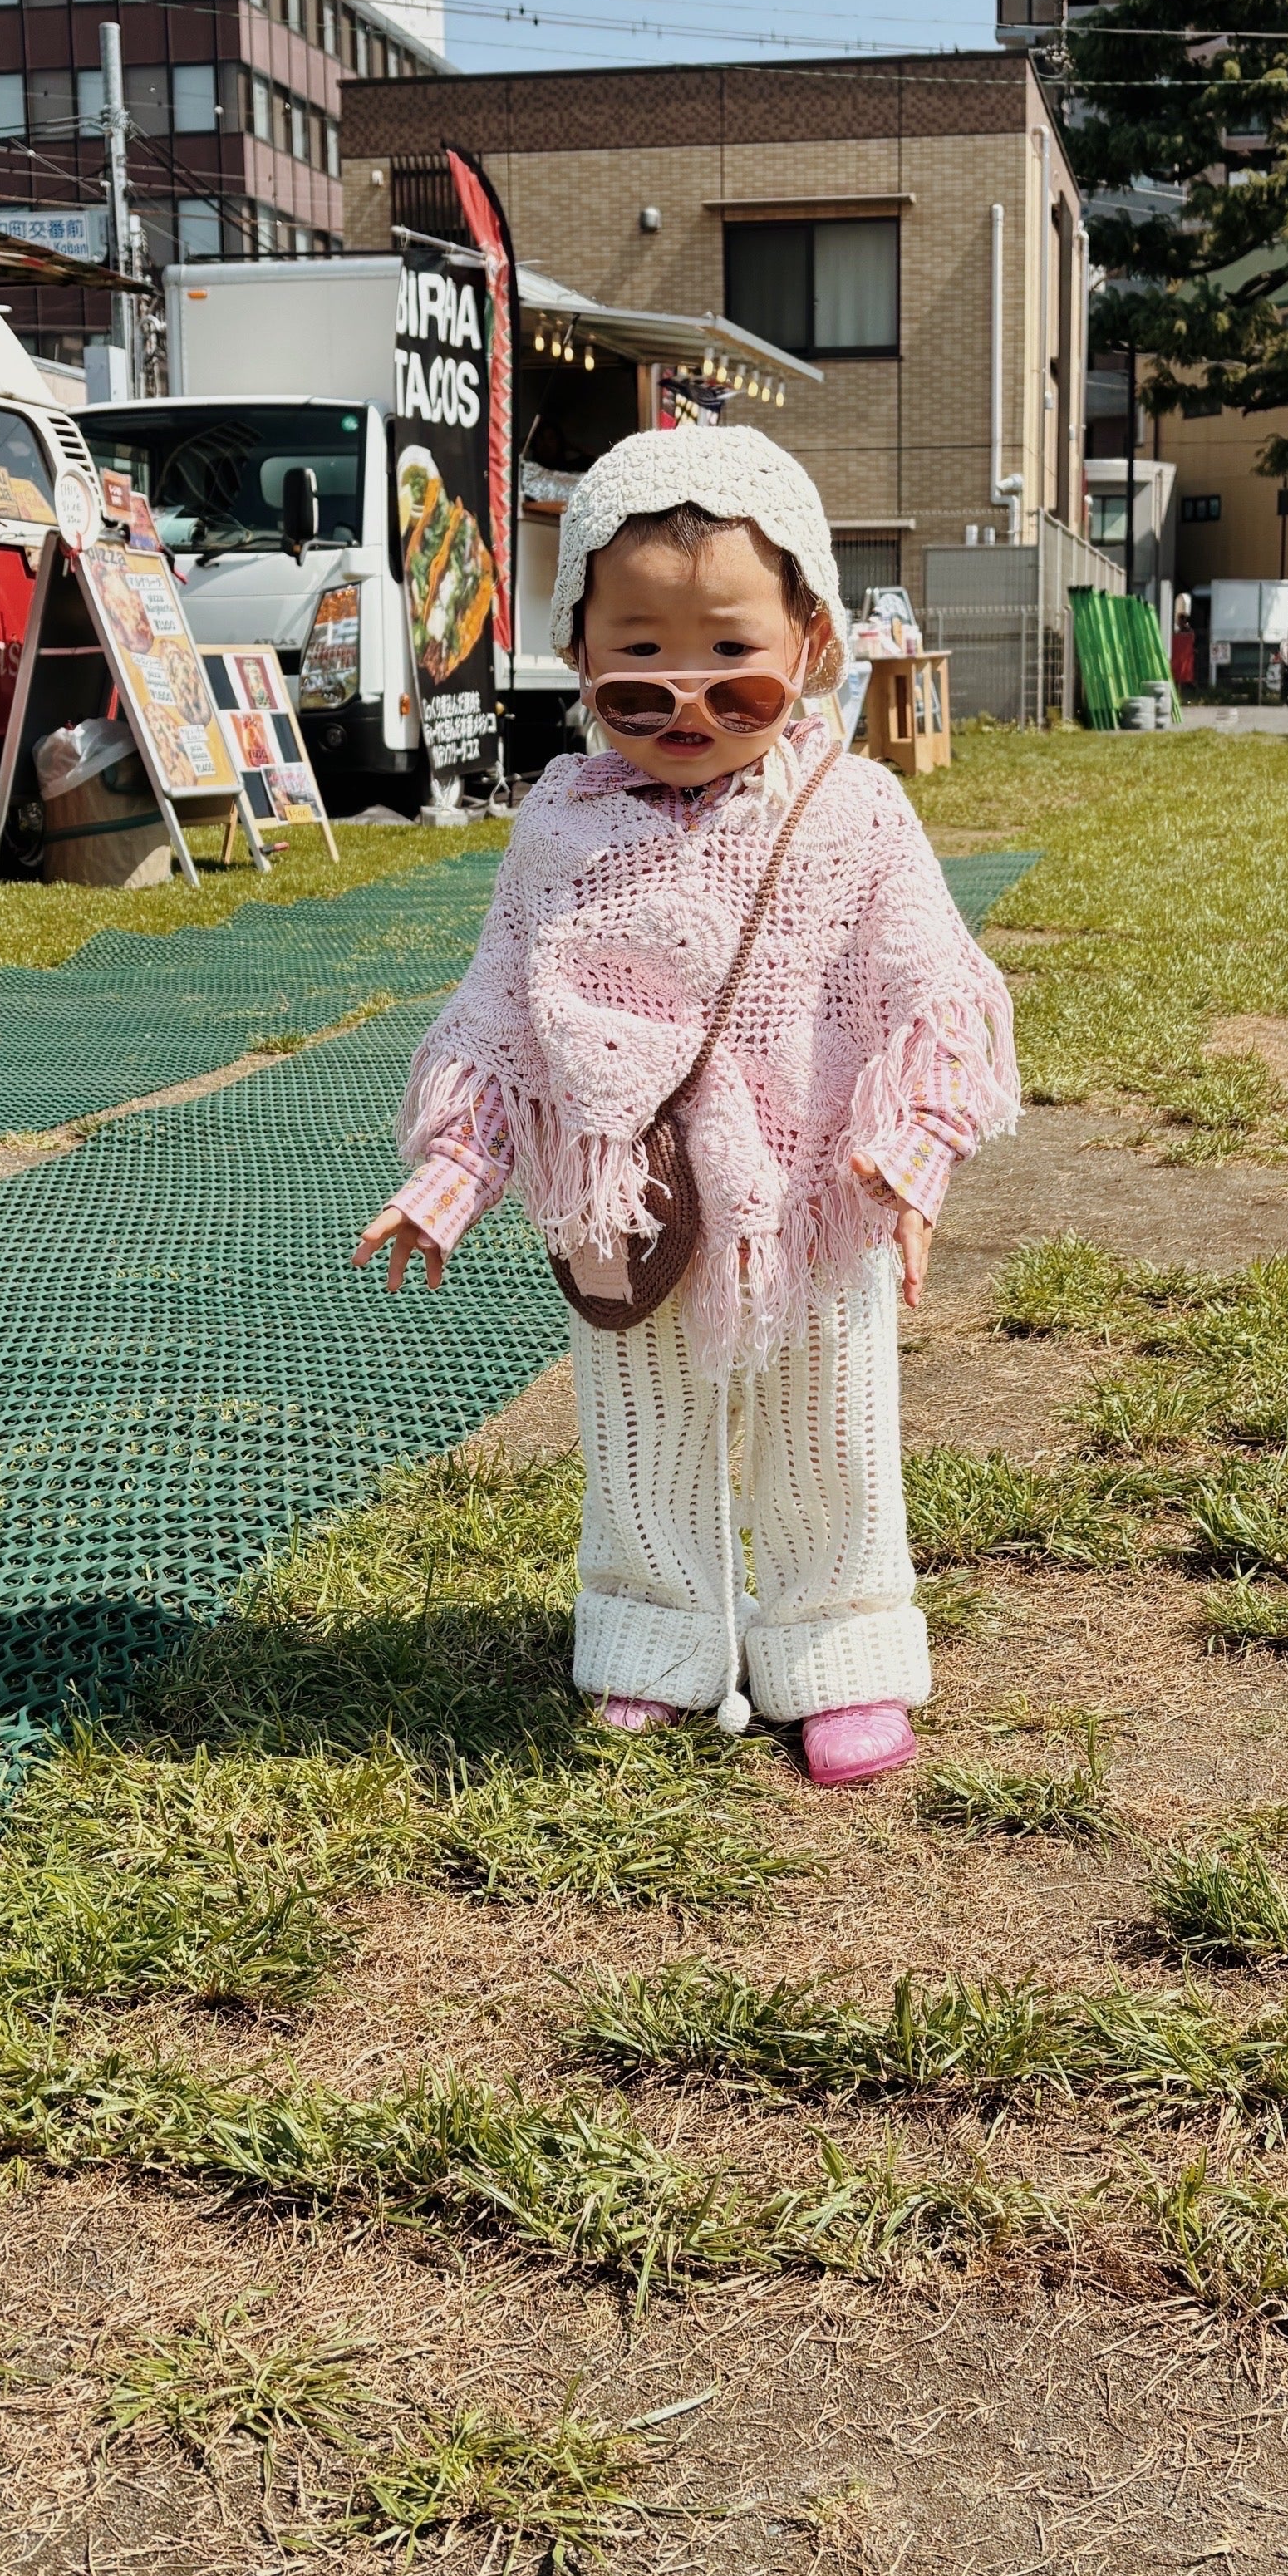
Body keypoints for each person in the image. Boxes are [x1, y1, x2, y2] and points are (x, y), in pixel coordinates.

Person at [352, 424, 1020, 1790]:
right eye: (639, 650)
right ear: (578, 648)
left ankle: (835, 1646)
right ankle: (654, 1640)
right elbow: (504, 1022)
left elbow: (932, 994)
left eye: (730, 649)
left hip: (811, 1196)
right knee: (639, 1433)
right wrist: (456, 1169)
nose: (686, 692)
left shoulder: (855, 813)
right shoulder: (557, 829)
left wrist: (908, 1153)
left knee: (829, 1429)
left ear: (814, 639)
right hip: (629, 1200)